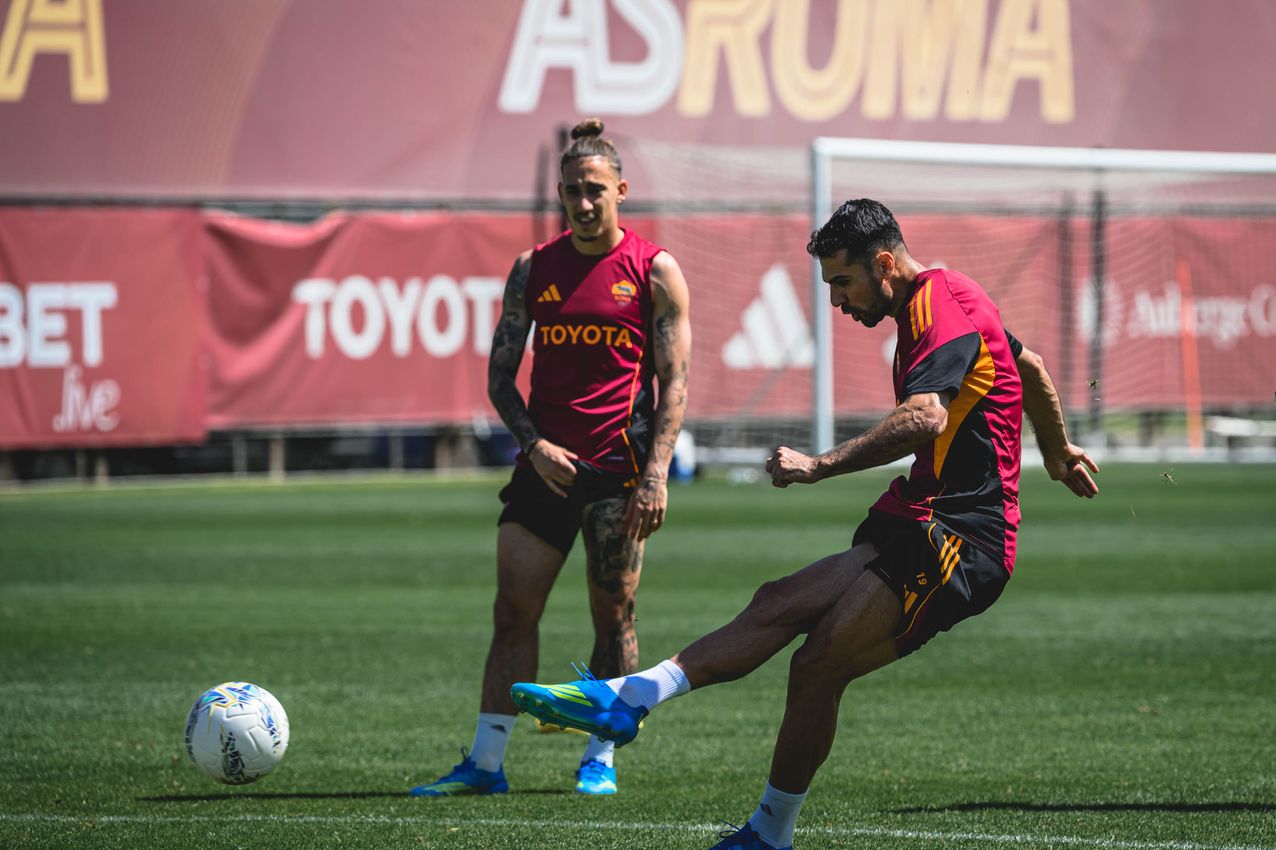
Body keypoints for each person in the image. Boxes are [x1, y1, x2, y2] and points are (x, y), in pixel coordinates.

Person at [511, 199, 1098, 845]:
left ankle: (768, 832)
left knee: (819, 664)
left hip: (962, 538)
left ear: (883, 263)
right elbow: (1031, 365)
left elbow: (925, 416)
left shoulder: (934, 303)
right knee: (779, 600)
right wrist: (1056, 450)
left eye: (841, 282)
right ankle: (630, 699)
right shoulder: (946, 299)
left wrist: (821, 466)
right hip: (920, 518)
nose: (838, 302)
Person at [410, 119, 692, 797]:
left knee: (613, 619)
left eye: (595, 190)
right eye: (572, 191)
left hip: (617, 476)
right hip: (542, 471)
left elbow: (675, 380)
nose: (583, 203)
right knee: (513, 612)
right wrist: (534, 446)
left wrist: (654, 474)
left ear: (621, 190)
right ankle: (485, 763)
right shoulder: (533, 269)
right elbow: (501, 376)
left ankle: (599, 759)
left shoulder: (654, 272)